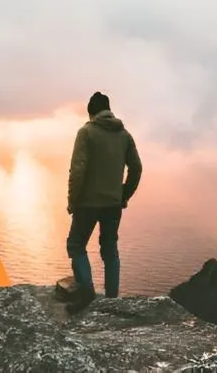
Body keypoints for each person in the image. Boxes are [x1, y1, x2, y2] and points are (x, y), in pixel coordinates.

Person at [65, 91, 142, 314]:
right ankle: (112, 301)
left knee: (76, 245)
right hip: (113, 204)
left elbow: (77, 170)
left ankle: (87, 293)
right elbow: (136, 168)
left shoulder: (86, 132)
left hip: (87, 204)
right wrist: (123, 195)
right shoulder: (124, 135)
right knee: (110, 250)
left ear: (91, 113)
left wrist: (73, 201)